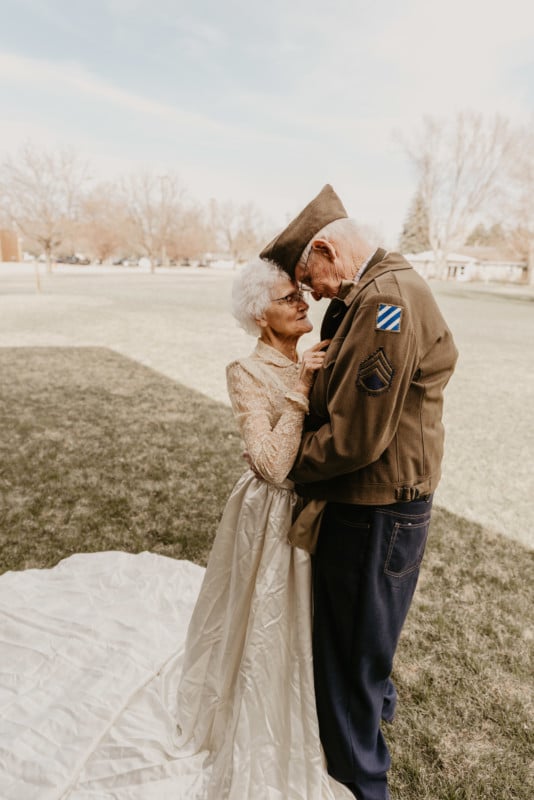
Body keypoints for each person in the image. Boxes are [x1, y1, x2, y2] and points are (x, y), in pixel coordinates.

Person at [259, 185, 459, 800]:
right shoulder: (370, 291)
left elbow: (355, 438)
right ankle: (373, 714)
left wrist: (283, 464)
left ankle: (360, 783)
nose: (310, 292)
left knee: (347, 656)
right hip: (384, 503)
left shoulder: (384, 302)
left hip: (374, 508)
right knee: (368, 637)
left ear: (325, 249)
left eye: (306, 277)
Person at [175, 258, 353, 800]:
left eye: (301, 292)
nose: (303, 301)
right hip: (268, 513)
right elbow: (273, 466)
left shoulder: (308, 357)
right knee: (265, 615)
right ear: (260, 317)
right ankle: (259, 711)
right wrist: (302, 387)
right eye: (287, 297)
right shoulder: (245, 372)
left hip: (309, 507)